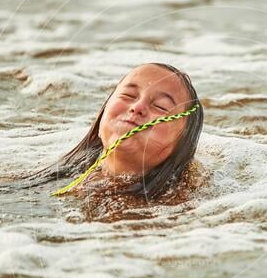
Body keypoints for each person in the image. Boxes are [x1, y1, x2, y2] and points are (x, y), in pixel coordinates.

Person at [23, 62, 204, 201]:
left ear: (182, 144)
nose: (137, 107)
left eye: (160, 106)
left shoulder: (181, 206)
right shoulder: (50, 176)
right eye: (128, 95)